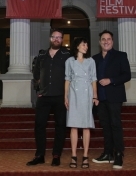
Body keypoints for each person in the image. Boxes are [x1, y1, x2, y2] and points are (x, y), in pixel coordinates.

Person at [26, 29, 70, 166]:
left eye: (59, 37)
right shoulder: (42, 55)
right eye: (54, 37)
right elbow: (36, 75)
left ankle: (56, 155)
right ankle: (40, 155)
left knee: (60, 126)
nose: (56, 39)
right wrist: (38, 90)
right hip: (43, 97)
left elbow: (71, 76)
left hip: (60, 97)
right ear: (50, 39)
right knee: (39, 125)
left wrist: (68, 95)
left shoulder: (67, 56)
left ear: (62, 40)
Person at [92, 30, 131, 169]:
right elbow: (92, 79)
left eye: (108, 39)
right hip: (100, 98)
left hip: (115, 96)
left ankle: (119, 154)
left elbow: (127, 75)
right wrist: (94, 95)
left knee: (115, 125)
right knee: (105, 126)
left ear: (112, 41)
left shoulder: (120, 56)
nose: (106, 41)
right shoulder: (94, 59)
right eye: (103, 39)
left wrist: (111, 80)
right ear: (100, 42)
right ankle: (108, 153)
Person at [64, 37, 99, 169]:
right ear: (77, 46)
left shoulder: (91, 61)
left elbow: (94, 79)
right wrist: (65, 97)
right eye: (84, 44)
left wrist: (95, 96)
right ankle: (73, 155)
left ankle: (85, 156)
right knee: (73, 126)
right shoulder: (69, 61)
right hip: (73, 93)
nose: (86, 47)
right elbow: (67, 79)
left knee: (86, 126)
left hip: (87, 93)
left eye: (87, 45)